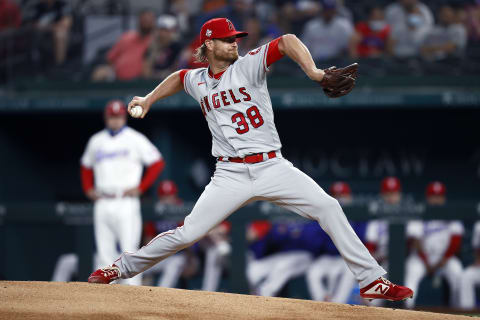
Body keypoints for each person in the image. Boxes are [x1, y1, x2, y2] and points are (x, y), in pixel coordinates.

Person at [88, 17, 413, 302]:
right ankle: (120, 267)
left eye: (235, 38)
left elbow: (286, 42)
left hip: (272, 166)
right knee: (186, 234)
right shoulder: (198, 80)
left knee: (328, 207)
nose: (234, 43)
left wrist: (314, 73)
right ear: (209, 44)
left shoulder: (248, 65)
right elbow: (179, 77)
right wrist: (148, 99)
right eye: (228, 39)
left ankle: (372, 281)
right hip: (229, 174)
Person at [81, 100, 164, 285]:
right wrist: (88, 188)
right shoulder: (96, 140)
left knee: (129, 251)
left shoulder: (134, 138)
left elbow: (157, 162)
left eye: (118, 116)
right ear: (106, 117)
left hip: (126, 200)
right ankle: (105, 301)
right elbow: (86, 166)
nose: (115, 120)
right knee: (104, 251)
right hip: (103, 200)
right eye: (112, 116)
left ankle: (131, 298)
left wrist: (141, 187)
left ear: (124, 117)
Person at [405, 182, 464, 308]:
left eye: (439, 196)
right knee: (411, 274)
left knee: (457, 273)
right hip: (421, 258)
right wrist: (427, 263)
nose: (436, 200)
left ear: (444, 198)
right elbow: (415, 241)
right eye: (433, 196)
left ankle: (460, 313)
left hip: (445, 258)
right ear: (427, 198)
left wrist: (442, 261)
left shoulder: (451, 215)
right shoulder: (419, 213)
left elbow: (456, 241)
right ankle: (405, 312)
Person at [91, 10, 155, 81]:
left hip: (140, 80)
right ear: (139, 21)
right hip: (116, 76)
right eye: (144, 20)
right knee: (100, 72)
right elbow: (110, 58)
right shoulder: (126, 37)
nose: (146, 23)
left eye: (148, 21)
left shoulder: (154, 41)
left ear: (153, 23)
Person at [27, 0, 72, 66]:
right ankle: (35, 62)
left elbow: (67, 23)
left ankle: (59, 64)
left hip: (61, 33)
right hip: (42, 34)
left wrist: (49, 27)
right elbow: (34, 25)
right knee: (34, 33)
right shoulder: (37, 6)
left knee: (60, 34)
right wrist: (52, 27)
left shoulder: (62, 4)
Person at [143, 15, 182, 80]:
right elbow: (146, 69)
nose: (162, 34)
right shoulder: (152, 47)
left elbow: (177, 69)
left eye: (166, 30)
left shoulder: (178, 47)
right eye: (161, 30)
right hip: (152, 82)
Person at [460, 220, 480, 309]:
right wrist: (478, 260)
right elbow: (477, 247)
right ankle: (467, 313)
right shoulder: (478, 226)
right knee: (466, 276)